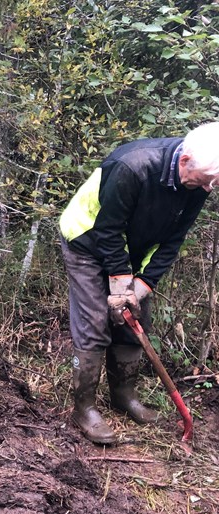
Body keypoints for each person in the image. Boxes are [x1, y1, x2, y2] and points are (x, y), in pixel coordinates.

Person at [59, 122, 219, 444]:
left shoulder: (198, 184)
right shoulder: (132, 166)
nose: (211, 188)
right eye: (208, 179)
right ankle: (84, 408)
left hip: (131, 249)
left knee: (135, 321)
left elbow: (173, 241)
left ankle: (124, 396)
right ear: (184, 161)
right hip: (87, 241)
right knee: (94, 322)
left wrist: (141, 286)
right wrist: (119, 285)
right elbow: (107, 230)